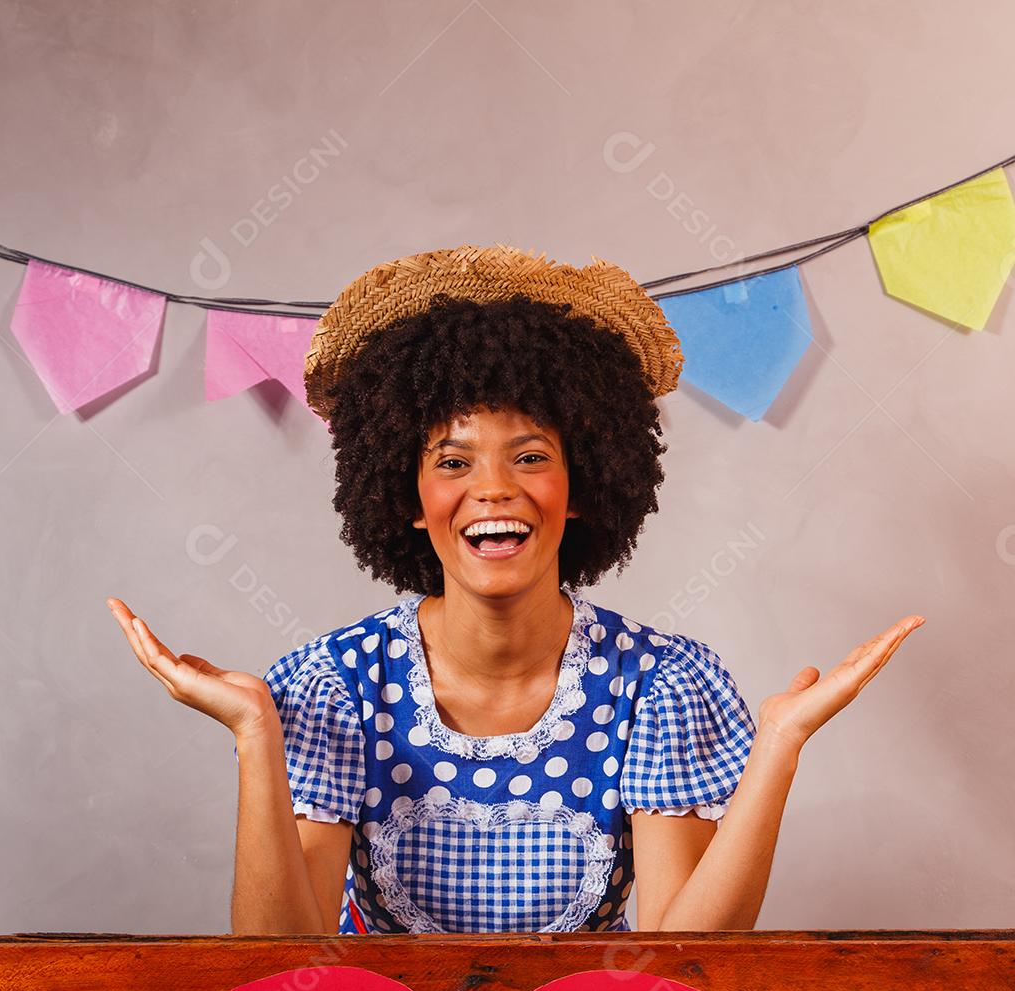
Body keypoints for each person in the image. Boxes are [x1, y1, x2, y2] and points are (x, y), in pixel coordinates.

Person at [108, 244, 923, 935]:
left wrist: (778, 744)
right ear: (406, 498)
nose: (493, 487)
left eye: (530, 456)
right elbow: (283, 962)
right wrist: (256, 731)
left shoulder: (658, 686)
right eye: (453, 461)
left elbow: (681, 962)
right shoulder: (337, 688)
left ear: (584, 487)